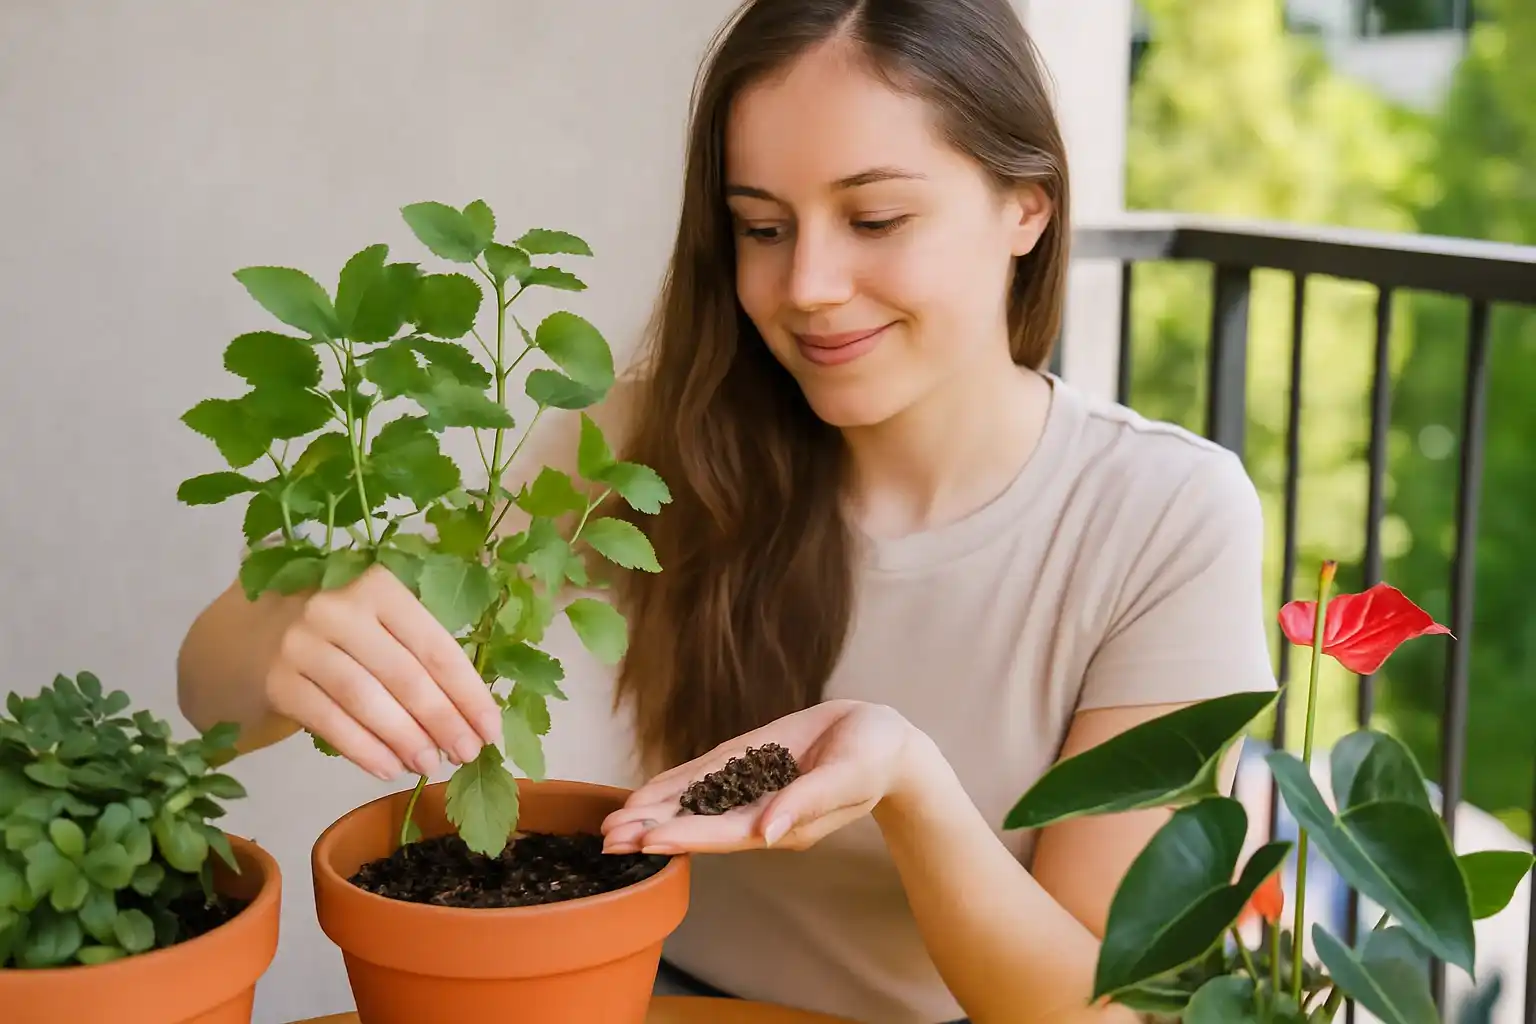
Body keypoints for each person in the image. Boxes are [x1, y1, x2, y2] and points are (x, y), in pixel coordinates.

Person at [175, 1, 1277, 1022]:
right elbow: (210, 698)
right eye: (762, 228)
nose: (807, 285)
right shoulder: (661, 438)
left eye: (875, 216)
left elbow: (1108, 1005)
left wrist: (905, 782)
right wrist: (289, 631)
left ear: (1025, 205)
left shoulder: (1164, 517)